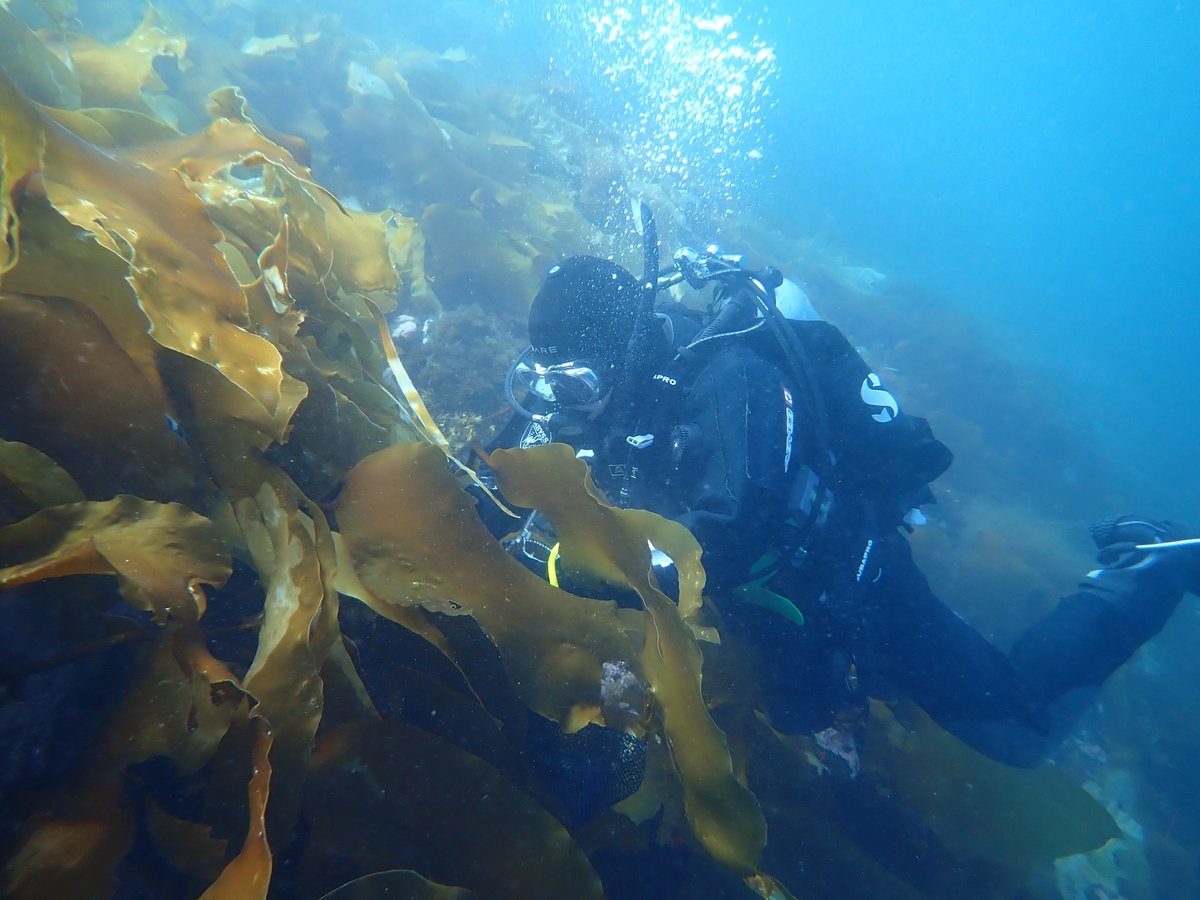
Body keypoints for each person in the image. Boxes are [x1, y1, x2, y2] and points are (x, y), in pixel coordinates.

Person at [479, 251, 1199, 769]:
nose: (563, 412)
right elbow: (519, 461)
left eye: (576, 387)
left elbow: (717, 546)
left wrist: (559, 570)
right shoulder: (624, 383)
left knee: (1017, 729)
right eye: (550, 387)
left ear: (627, 352)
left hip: (855, 582)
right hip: (766, 602)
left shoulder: (736, 381)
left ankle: (1148, 565)